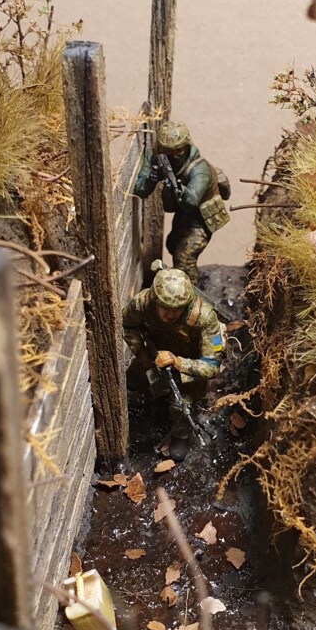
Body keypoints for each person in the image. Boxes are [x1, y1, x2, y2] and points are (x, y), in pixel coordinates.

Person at [122, 262, 226, 461]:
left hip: (190, 364)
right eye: (165, 308)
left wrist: (178, 363)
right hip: (155, 355)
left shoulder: (205, 318)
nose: (170, 315)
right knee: (133, 381)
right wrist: (143, 355)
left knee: (179, 404)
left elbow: (212, 366)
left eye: (177, 309)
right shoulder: (142, 303)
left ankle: (181, 435)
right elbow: (127, 325)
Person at [132, 121, 230, 283]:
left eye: (178, 150)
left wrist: (179, 189)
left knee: (184, 258)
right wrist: (151, 179)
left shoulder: (200, 170)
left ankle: (190, 292)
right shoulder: (157, 157)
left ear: (187, 146)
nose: (173, 156)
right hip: (183, 216)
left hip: (200, 221)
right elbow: (140, 190)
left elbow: (191, 201)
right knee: (172, 245)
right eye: (167, 151)